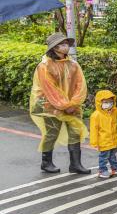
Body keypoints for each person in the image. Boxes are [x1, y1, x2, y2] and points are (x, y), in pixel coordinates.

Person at [30, 33, 90, 174]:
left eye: (66, 44)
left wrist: (74, 103)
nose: (66, 47)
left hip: (72, 106)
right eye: (63, 44)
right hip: (50, 106)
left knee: (75, 132)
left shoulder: (73, 64)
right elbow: (49, 89)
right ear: (55, 47)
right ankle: (46, 162)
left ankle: (75, 164)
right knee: (52, 133)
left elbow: (80, 85)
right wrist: (65, 105)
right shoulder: (44, 66)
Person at [89, 90, 117, 179]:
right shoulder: (96, 115)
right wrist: (94, 142)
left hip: (114, 140)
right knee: (104, 157)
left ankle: (115, 168)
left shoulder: (114, 111)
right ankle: (102, 170)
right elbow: (94, 130)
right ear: (99, 102)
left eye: (110, 102)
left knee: (112, 156)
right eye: (105, 102)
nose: (108, 104)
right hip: (104, 142)